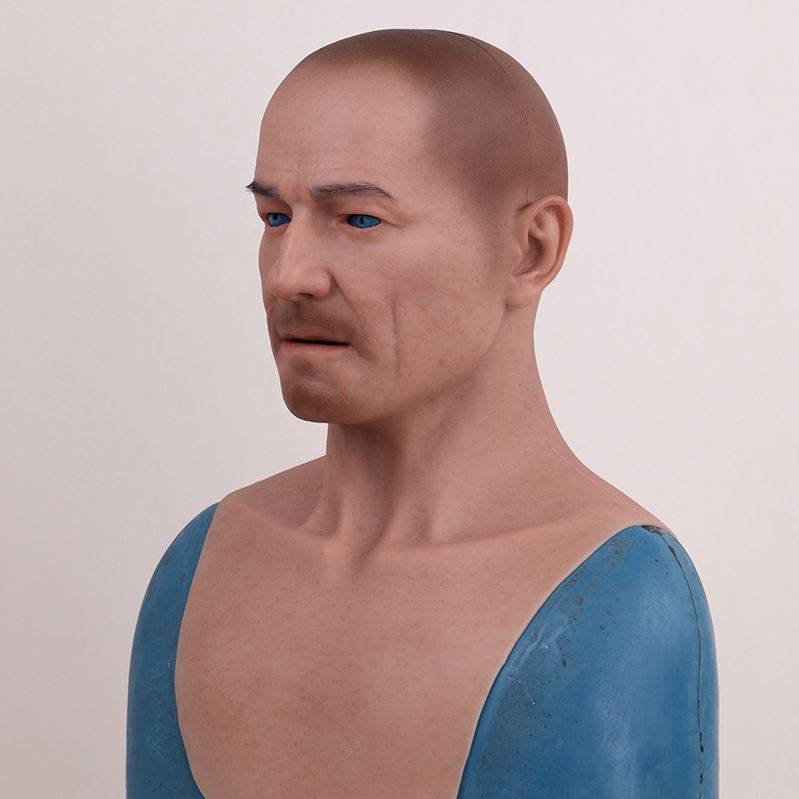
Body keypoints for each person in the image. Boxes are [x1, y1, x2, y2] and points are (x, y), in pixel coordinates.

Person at [127, 28, 718, 798]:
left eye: (358, 220)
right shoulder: (200, 567)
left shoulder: (618, 597)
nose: (288, 274)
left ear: (530, 249)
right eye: (274, 217)